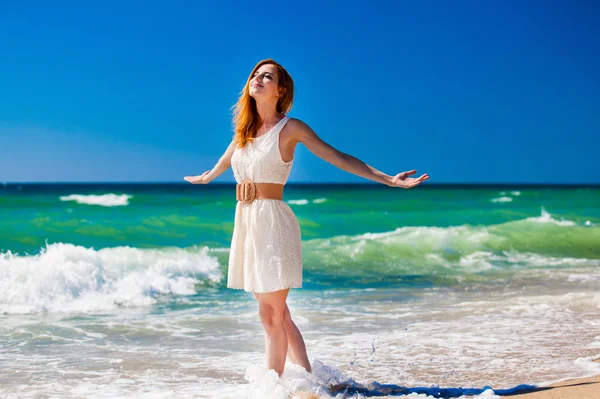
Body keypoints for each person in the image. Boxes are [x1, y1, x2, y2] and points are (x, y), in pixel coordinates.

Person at [184, 59, 430, 377]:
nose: (257, 79)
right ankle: (309, 381)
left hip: (273, 225)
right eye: (255, 75)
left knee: (269, 315)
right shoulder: (242, 134)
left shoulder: (290, 128)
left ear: (280, 89)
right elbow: (223, 162)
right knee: (280, 314)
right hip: (247, 226)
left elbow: (337, 156)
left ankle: (271, 390)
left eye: (267, 76)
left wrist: (388, 180)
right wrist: (206, 177)